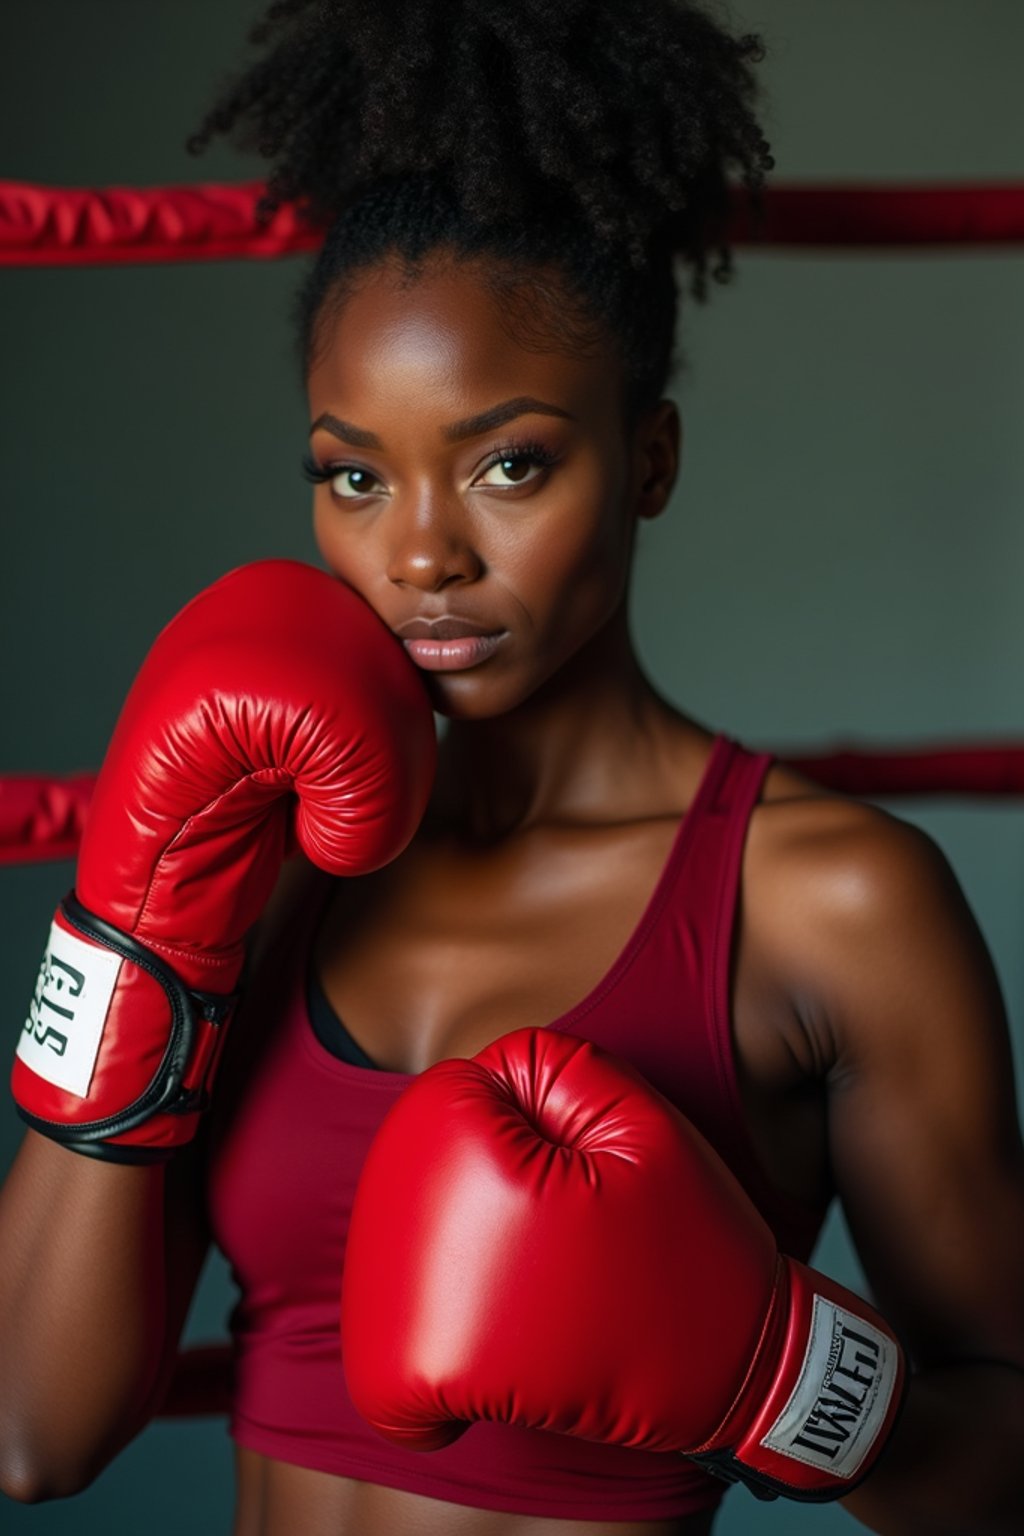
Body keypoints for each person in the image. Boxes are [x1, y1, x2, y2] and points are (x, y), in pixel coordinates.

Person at [2, 1, 1023, 1532]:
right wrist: (134, 929)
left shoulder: (831, 906)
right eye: (354, 473)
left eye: (508, 463)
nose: (420, 552)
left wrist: (770, 1376)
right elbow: (30, 1431)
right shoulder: (259, 857)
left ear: (652, 459)